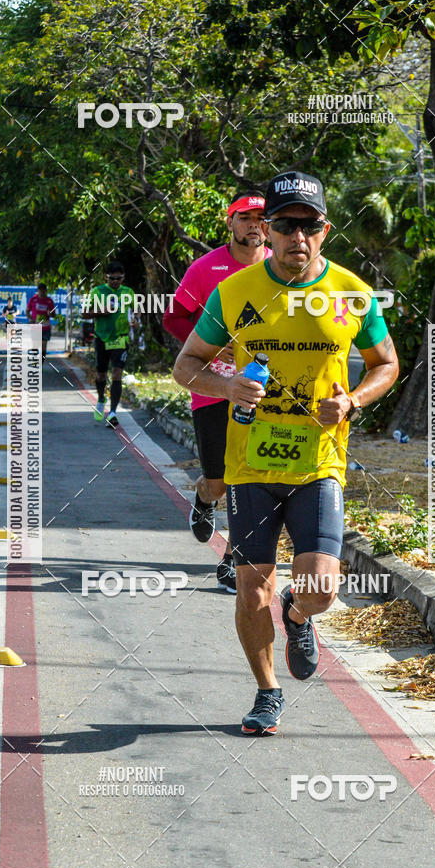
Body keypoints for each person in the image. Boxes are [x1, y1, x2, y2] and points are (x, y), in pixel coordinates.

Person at [174, 171, 399, 735]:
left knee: (322, 588)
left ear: (325, 231)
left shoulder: (351, 293)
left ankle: (298, 616)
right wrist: (225, 387)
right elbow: (186, 365)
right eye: (285, 225)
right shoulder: (234, 292)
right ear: (266, 232)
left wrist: (351, 400)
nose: (298, 236)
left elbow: (386, 365)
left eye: (310, 226)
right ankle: (267, 692)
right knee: (251, 587)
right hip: (249, 464)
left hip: (318, 463)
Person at [163, 191, 270, 595]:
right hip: (212, 389)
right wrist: (208, 345)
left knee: (252, 475)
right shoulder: (207, 268)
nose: (255, 226)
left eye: (261, 218)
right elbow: (174, 317)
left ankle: (234, 559)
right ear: (230, 223)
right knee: (220, 479)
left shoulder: (279, 269)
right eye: (246, 218)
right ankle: (204, 497)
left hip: (259, 392)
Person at [81, 260, 136, 427]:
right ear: (107, 277)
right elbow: (84, 313)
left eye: (118, 279)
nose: (115, 282)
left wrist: (135, 318)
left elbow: (136, 310)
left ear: (123, 277)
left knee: (117, 373)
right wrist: (100, 312)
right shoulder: (97, 292)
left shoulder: (128, 292)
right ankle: (101, 398)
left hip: (121, 338)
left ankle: (112, 413)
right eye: (112, 279)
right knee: (101, 375)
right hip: (102, 338)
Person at [26, 283, 56, 360]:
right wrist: (30, 318)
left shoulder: (49, 301)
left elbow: (54, 314)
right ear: (38, 291)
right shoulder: (33, 299)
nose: (42, 293)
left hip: (45, 327)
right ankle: (34, 362)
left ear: (46, 291)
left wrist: (51, 313)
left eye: (44, 291)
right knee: (35, 346)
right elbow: (27, 310)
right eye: (40, 291)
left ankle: (40, 364)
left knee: (43, 347)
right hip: (36, 327)